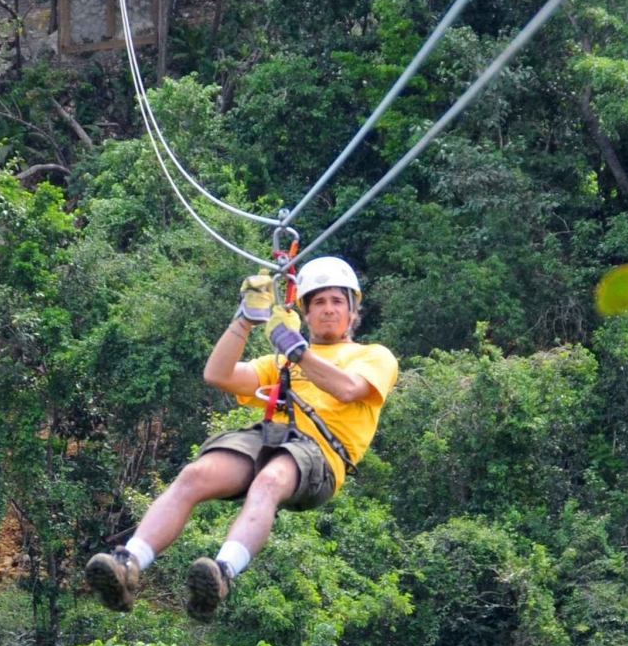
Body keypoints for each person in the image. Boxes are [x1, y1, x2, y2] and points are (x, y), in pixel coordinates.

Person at [83, 256, 398, 619]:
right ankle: (129, 563)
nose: (328, 309)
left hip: (320, 455)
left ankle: (223, 571)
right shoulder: (282, 361)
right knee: (196, 474)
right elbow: (219, 374)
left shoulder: (372, 356)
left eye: (337, 301)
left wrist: (296, 349)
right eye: (319, 302)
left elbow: (348, 388)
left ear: (352, 310)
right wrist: (245, 319)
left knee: (269, 480)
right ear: (306, 312)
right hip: (270, 437)